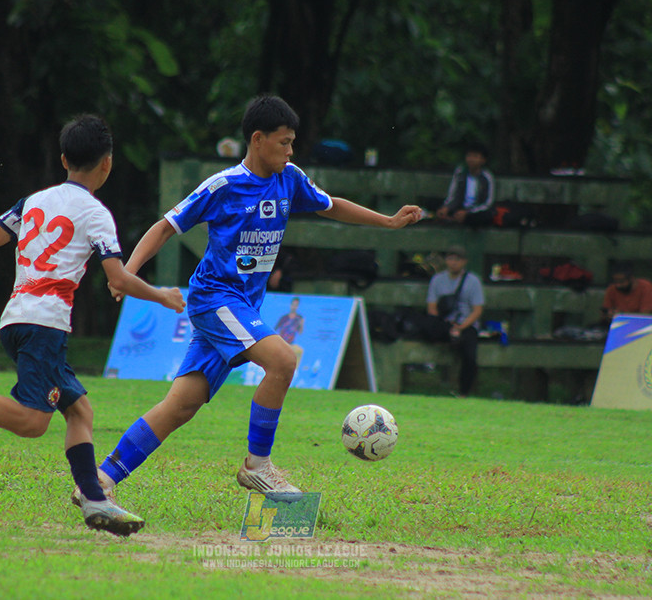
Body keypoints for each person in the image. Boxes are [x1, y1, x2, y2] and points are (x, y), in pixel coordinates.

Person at [88, 95, 421, 509]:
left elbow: (331, 205)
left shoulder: (290, 178)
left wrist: (387, 221)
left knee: (181, 405)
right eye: (284, 143)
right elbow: (165, 227)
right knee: (282, 360)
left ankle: (100, 478)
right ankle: (257, 466)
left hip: (241, 305)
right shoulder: (224, 185)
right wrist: (128, 273)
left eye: (292, 142)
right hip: (215, 299)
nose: (290, 150)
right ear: (258, 140)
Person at [0, 114, 185, 537]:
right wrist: (163, 296)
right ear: (108, 164)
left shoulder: (34, 201)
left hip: (17, 318)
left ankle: (92, 498)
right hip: (44, 325)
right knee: (33, 421)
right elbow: (116, 279)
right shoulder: (97, 214)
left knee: (79, 410)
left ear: (64, 159)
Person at [425, 245, 484, 397]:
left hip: (466, 324)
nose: (453, 263)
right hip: (445, 323)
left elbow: (477, 310)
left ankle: (464, 391)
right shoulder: (437, 280)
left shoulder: (473, 281)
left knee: (470, 355)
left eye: (457, 259)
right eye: (450, 259)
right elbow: (432, 307)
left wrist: (460, 327)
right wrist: (446, 325)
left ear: (464, 262)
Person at [435, 144, 495, 227]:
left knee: (483, 217)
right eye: (469, 156)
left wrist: (468, 212)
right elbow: (453, 195)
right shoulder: (460, 173)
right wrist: (446, 208)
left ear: (483, 160)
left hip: (476, 212)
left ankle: (458, 219)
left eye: (475, 157)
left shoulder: (487, 177)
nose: (471, 160)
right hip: (460, 209)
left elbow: (487, 204)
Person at [275, 296, 305, 369]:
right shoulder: (284, 317)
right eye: (293, 305)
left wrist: (302, 324)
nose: (294, 307)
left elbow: (300, 332)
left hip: (290, 344)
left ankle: (295, 370)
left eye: (296, 305)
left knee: (299, 351)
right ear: (290, 305)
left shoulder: (299, 318)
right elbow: (275, 329)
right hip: (281, 342)